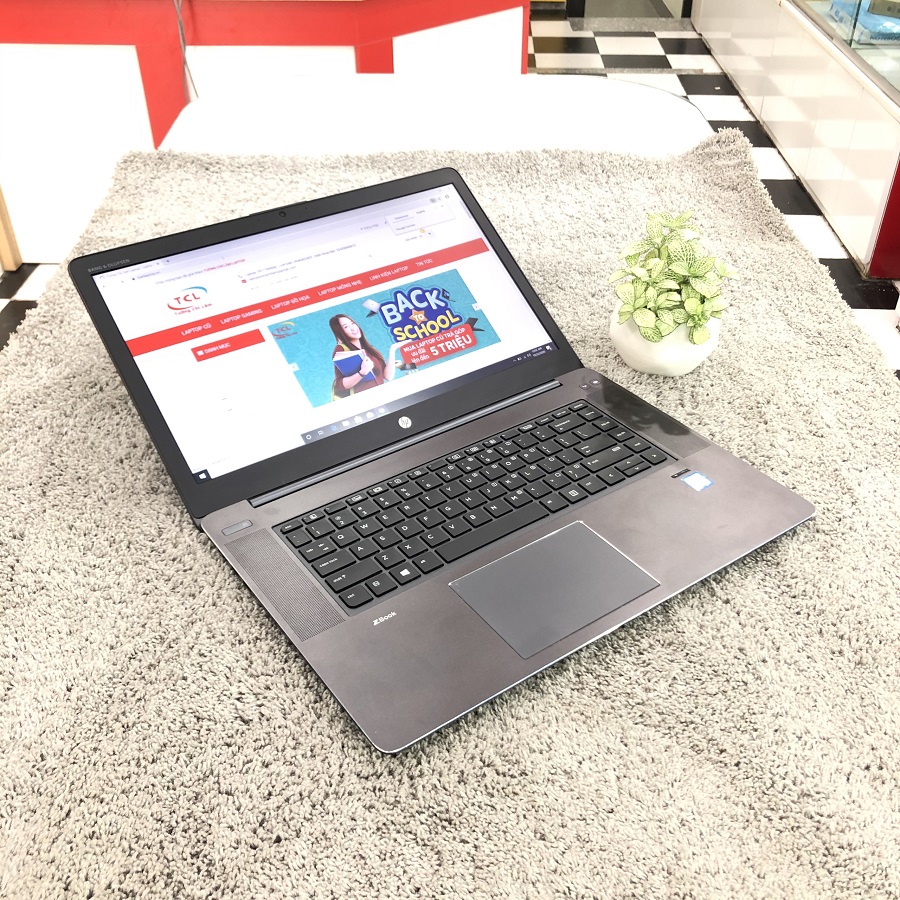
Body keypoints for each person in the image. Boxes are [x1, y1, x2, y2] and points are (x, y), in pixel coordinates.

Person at [329, 314, 396, 398]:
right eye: (346, 327)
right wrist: (362, 372)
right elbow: (340, 385)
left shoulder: (370, 349)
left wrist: (393, 350)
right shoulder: (341, 350)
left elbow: (388, 376)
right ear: (339, 332)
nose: (353, 328)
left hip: (383, 396)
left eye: (352, 323)